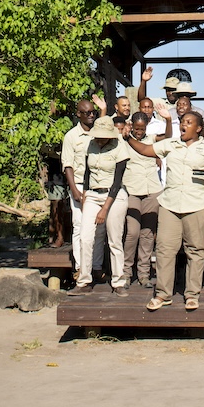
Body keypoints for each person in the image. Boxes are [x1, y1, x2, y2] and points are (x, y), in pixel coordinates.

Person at [126, 110, 204, 311]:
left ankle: (192, 294)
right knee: (164, 249)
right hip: (170, 204)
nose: (183, 124)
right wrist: (127, 138)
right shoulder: (171, 144)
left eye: (188, 122)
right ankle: (163, 294)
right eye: (182, 121)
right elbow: (146, 150)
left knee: (196, 250)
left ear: (198, 128)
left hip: (198, 205)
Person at [68, 115, 132, 297]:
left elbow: (117, 181)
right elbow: (87, 172)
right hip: (93, 194)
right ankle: (84, 280)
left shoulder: (120, 147)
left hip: (114, 195)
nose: (100, 138)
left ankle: (118, 281)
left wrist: (104, 209)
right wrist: (86, 193)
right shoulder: (91, 144)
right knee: (85, 237)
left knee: (114, 239)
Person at [60, 99, 101, 278]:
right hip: (79, 184)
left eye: (93, 112)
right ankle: (80, 266)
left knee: (98, 228)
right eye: (87, 113)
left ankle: (97, 266)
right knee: (79, 226)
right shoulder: (71, 136)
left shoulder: (99, 132)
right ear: (79, 114)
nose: (91, 115)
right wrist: (75, 191)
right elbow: (67, 165)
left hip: (97, 184)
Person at [123, 111, 161, 288]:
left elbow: (167, 136)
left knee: (147, 233)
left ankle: (144, 273)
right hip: (132, 188)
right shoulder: (125, 139)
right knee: (132, 232)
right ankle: (126, 272)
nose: (139, 132)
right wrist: (126, 131)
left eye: (142, 128)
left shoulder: (152, 139)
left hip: (152, 189)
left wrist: (168, 120)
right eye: (136, 129)